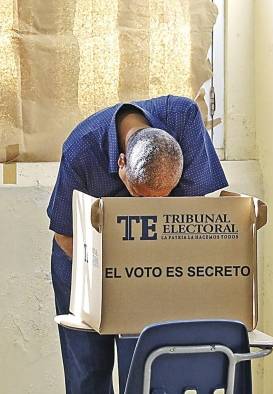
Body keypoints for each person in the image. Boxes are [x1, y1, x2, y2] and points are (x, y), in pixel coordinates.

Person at [47, 95, 228, 394]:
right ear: (121, 163)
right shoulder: (81, 149)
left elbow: (197, 210)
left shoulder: (183, 118)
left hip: (151, 268)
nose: (152, 209)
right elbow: (65, 235)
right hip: (84, 264)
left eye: (165, 198)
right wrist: (111, 280)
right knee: (88, 374)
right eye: (141, 197)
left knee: (146, 372)